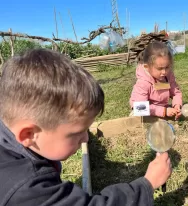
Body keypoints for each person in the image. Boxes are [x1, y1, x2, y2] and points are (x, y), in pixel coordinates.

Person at [0, 49, 172, 206]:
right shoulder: (27, 189)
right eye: (77, 133)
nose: (86, 138)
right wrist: (147, 184)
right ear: (29, 134)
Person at [130, 41, 183, 119]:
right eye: (159, 68)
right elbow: (140, 108)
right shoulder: (143, 83)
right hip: (143, 112)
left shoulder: (168, 76)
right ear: (147, 67)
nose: (164, 72)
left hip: (161, 108)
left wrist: (177, 105)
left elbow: (176, 93)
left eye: (167, 67)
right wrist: (164, 111)